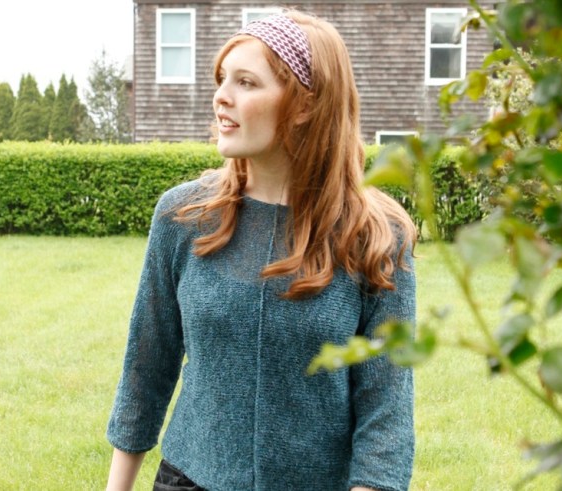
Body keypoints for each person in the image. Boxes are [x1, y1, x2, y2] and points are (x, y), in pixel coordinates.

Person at [105, 10, 416, 491]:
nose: (221, 96)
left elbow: (386, 412)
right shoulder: (183, 217)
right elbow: (146, 369)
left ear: (305, 104)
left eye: (246, 82)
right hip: (188, 479)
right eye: (222, 79)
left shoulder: (376, 236)